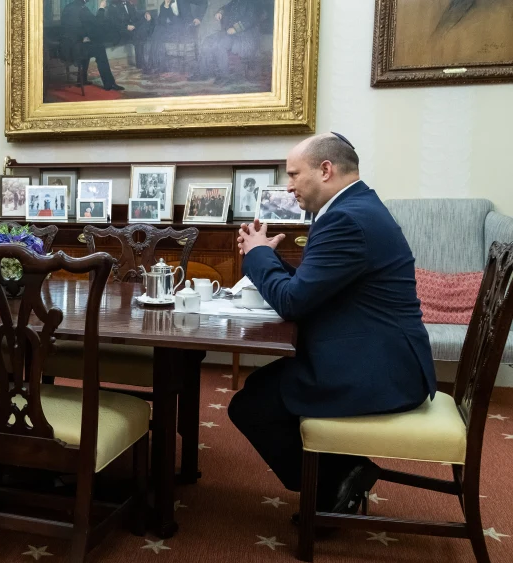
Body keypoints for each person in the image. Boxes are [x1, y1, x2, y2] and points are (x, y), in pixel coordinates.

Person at [228, 132, 436, 523]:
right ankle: (343, 471)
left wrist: (256, 255)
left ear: (325, 170)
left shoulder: (345, 219)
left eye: (293, 174)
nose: (288, 187)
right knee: (259, 388)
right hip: (381, 355)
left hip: (380, 370)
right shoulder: (358, 207)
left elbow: (292, 302)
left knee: (251, 405)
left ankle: (334, 484)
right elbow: (314, 288)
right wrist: (269, 260)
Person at [192, 0, 263, 85]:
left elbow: (251, 19)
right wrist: (220, 12)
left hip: (244, 37)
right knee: (208, 41)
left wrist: (235, 29)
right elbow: (225, 7)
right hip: (229, 33)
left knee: (220, 44)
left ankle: (224, 76)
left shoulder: (253, 2)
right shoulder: (235, 1)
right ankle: (204, 73)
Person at [61, 0, 125, 91]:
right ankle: (109, 84)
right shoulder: (83, 9)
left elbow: (71, 27)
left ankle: (82, 79)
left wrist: (83, 36)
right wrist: (101, 8)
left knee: (88, 45)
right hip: (76, 49)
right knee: (100, 49)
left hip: (66, 47)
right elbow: (97, 24)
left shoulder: (68, 7)